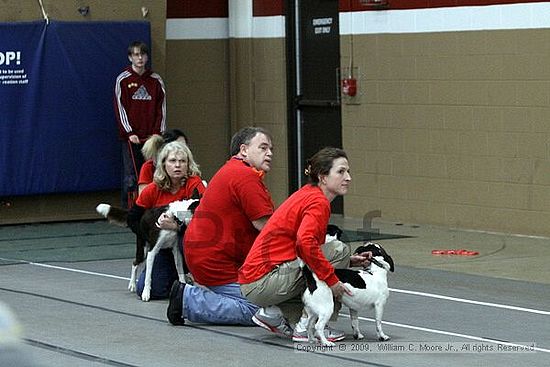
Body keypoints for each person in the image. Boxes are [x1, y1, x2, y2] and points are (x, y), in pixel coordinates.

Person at [238, 147, 372, 342]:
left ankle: (273, 313)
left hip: (257, 280)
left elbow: (305, 247)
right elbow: (306, 244)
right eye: (341, 171)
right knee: (338, 250)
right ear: (323, 177)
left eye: (348, 171)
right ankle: (307, 327)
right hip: (263, 281)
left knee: (338, 256)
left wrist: (347, 262)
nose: (348, 177)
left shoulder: (309, 193)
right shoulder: (318, 202)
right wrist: (333, 281)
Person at [167, 127, 274, 326]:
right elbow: (268, 227)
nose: (270, 153)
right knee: (262, 312)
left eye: (271, 149)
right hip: (215, 260)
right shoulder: (245, 176)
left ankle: (203, 295)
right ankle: (188, 300)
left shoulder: (235, 171)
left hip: (206, 254)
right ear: (243, 150)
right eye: (263, 147)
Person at [128, 141, 206, 299]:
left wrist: (178, 227)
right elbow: (132, 218)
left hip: (190, 244)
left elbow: (207, 221)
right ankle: (175, 278)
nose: (178, 165)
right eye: (172, 161)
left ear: (188, 164)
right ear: (163, 164)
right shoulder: (153, 189)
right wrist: (151, 237)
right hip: (163, 247)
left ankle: (193, 274)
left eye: (182, 161)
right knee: (149, 288)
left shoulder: (194, 184)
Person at [114, 41, 166, 208]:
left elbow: (161, 108)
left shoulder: (155, 80)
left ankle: (152, 207)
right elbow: (119, 107)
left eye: (142, 54)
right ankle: (130, 210)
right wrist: (129, 132)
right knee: (131, 175)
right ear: (130, 57)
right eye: (136, 55)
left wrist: (158, 133)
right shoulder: (123, 79)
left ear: (147, 57)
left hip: (152, 138)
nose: (140, 58)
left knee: (154, 171)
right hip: (132, 137)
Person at [138, 129, 189, 194]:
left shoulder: (189, 167)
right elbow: (143, 195)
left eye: (184, 147)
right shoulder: (149, 166)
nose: (178, 165)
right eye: (178, 146)